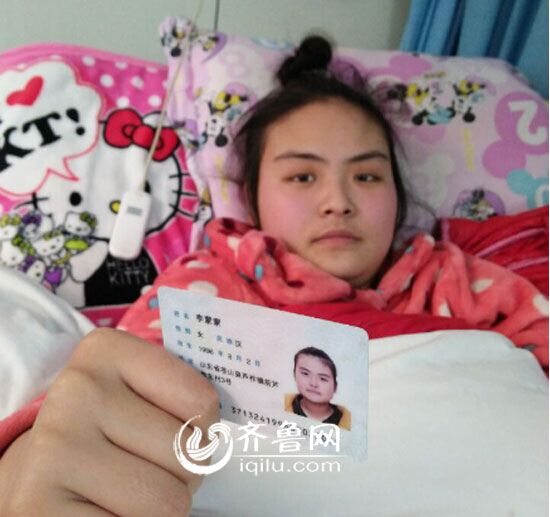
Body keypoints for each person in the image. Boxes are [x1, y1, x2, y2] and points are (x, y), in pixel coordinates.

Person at [0, 35, 547, 515]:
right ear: (253, 198)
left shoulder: (452, 278)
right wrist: (28, 459)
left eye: (367, 176)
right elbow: (110, 402)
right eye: (303, 176)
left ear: (399, 197)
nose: (338, 201)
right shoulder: (211, 280)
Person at [285, 347, 351, 430]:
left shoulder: (350, 422)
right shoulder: (280, 403)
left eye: (323, 379)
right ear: (294, 374)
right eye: (305, 374)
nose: (313, 383)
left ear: (335, 386)